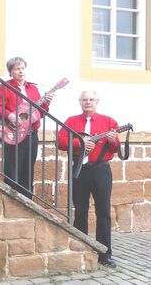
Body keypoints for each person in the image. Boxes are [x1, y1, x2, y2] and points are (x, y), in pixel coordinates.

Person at [58, 90, 121, 268]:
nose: (88, 102)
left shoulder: (108, 121)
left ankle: (105, 254)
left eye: (91, 99)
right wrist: (80, 143)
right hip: (79, 169)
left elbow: (116, 148)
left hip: (101, 170)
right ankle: (81, 249)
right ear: (80, 102)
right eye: (84, 99)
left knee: (103, 212)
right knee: (80, 210)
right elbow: (61, 141)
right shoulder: (72, 121)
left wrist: (112, 140)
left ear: (97, 102)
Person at [0, 57, 53, 198]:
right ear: (11, 72)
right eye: (16, 69)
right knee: (12, 169)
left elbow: (40, 113)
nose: (20, 71)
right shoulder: (5, 87)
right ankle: (11, 200)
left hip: (31, 135)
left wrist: (46, 104)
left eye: (22, 68)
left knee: (28, 169)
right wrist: (9, 115)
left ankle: (27, 202)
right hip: (13, 133)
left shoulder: (33, 88)